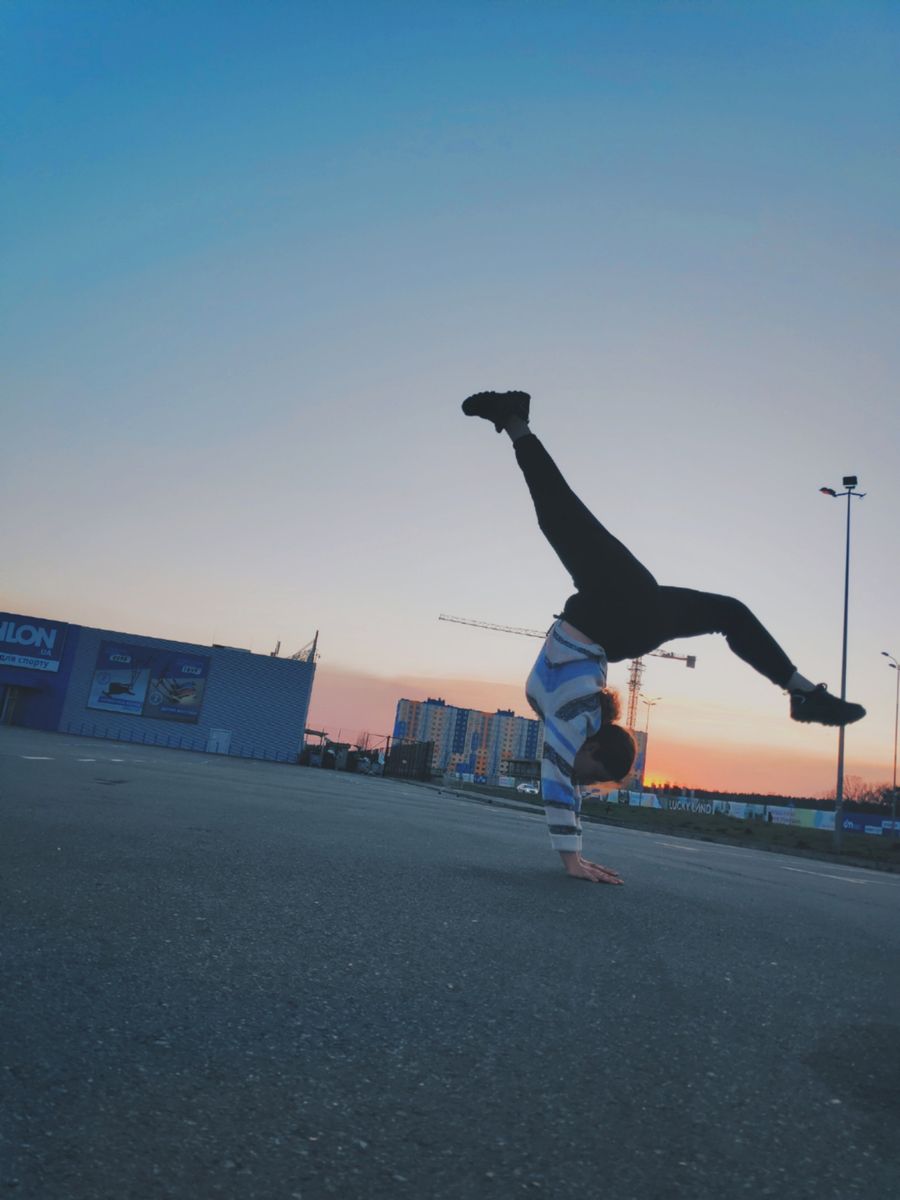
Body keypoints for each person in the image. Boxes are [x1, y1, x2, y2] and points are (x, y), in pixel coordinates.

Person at [461, 390, 866, 885]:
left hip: (623, 621)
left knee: (728, 612)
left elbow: (563, 781)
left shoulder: (573, 719)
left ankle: (802, 692)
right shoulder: (574, 716)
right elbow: (557, 781)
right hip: (618, 612)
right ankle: (514, 418)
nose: (579, 778)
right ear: (594, 749)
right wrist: (571, 859)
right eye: (590, 775)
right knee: (560, 513)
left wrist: (574, 848)